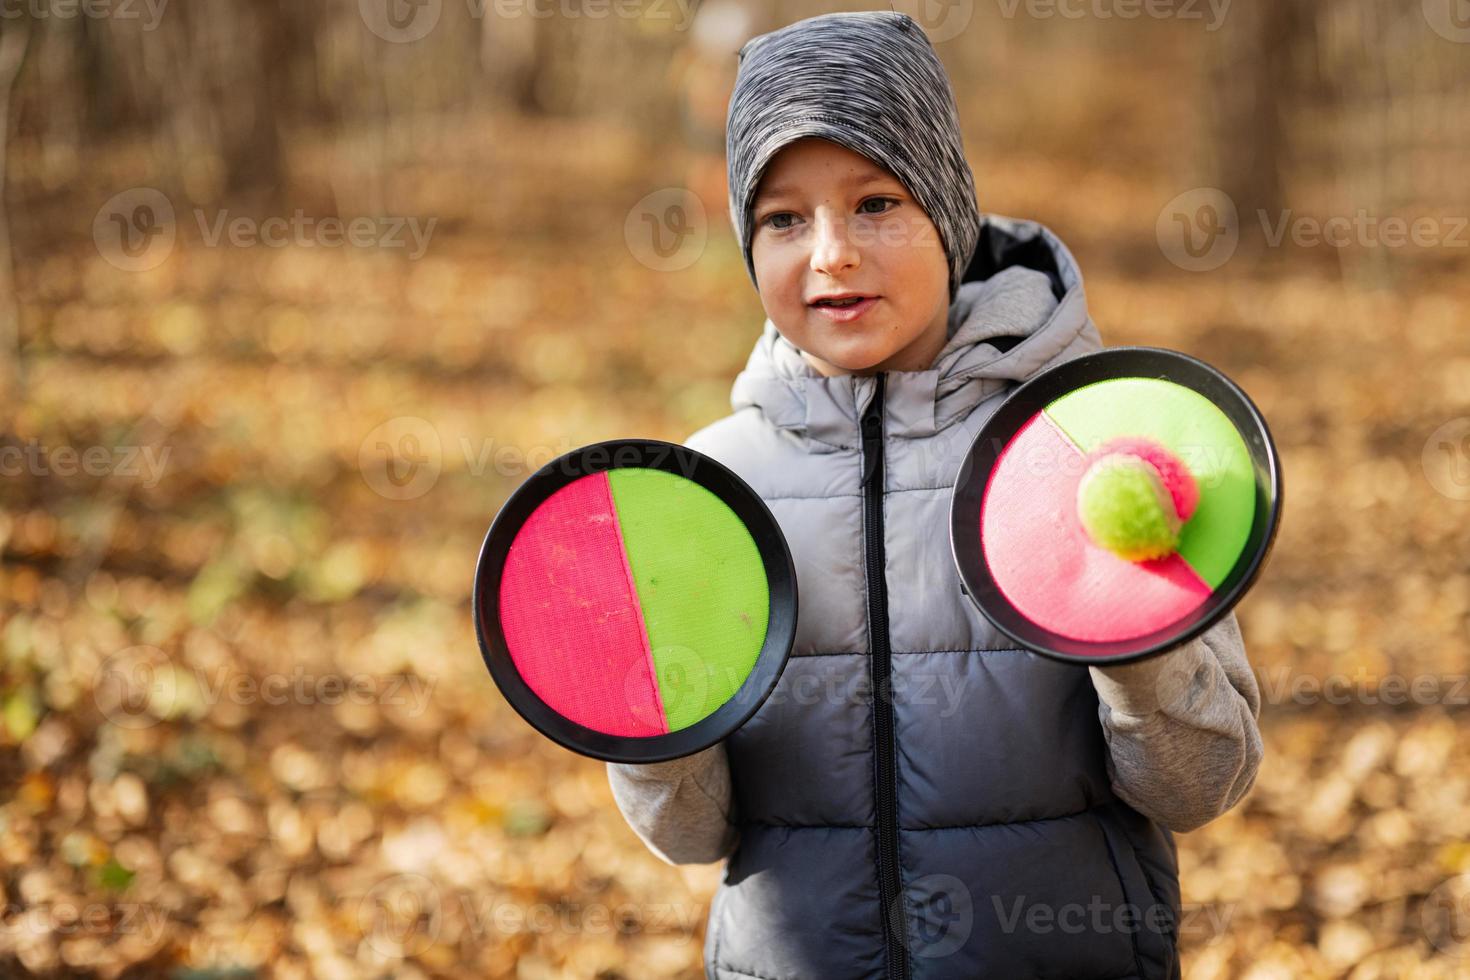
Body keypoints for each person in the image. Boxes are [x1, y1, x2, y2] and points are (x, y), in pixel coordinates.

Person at [608, 11, 1263, 980]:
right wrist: (655, 716)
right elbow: (694, 832)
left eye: (875, 202)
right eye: (784, 218)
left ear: (948, 212)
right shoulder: (715, 491)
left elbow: (1203, 779)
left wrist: (1128, 635)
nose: (829, 251)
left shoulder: (1090, 446)